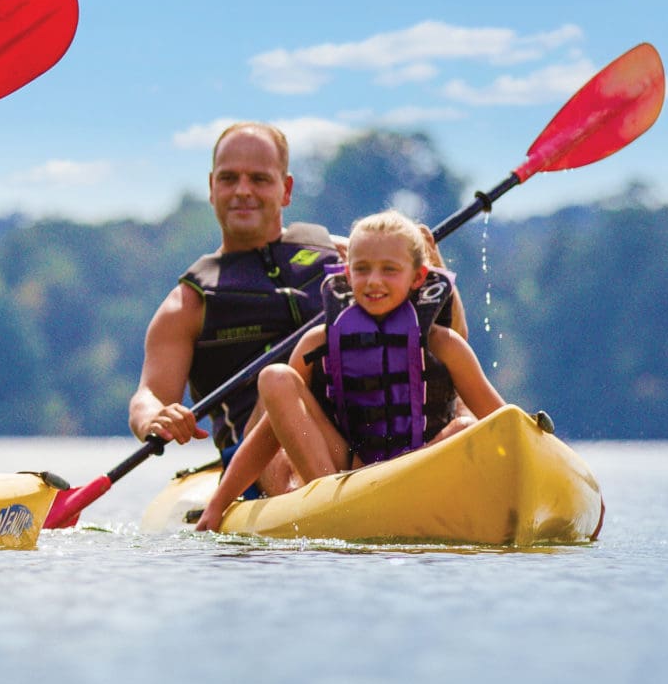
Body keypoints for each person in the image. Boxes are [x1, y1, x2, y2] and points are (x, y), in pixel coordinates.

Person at [193, 210, 504, 531]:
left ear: (418, 277)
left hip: (416, 467)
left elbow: (500, 418)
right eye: (362, 269)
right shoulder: (319, 341)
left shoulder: (445, 343)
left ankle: (351, 507)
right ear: (347, 274)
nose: (373, 281)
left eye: (389, 270)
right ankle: (330, 503)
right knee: (276, 377)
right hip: (344, 471)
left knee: (467, 426)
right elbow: (269, 431)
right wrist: (220, 503)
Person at [128, 122, 343, 493]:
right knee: (277, 391)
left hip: (358, 430)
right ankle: (326, 502)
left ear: (286, 189)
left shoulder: (344, 254)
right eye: (229, 179)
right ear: (212, 188)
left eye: (259, 179)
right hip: (261, 460)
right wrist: (154, 418)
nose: (243, 191)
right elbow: (148, 396)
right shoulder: (189, 303)